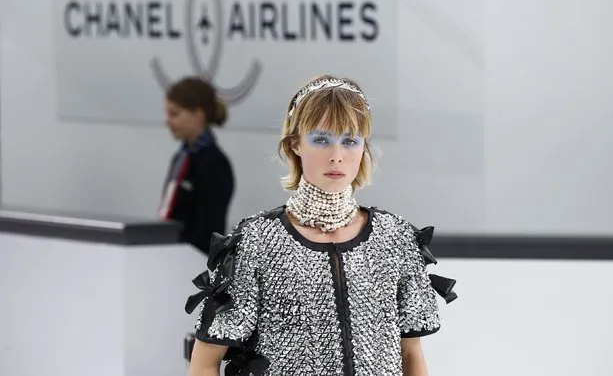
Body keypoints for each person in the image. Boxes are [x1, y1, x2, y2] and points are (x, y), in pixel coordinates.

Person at [184, 74, 457, 376]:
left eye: (350, 141)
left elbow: (412, 356)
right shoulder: (255, 241)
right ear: (295, 144)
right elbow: (205, 361)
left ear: (363, 148)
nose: (336, 156)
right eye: (321, 139)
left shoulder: (395, 239)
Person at [158, 76, 235, 255]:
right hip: (169, 253)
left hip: (194, 261)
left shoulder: (215, 164)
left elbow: (208, 229)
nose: (168, 121)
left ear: (198, 114)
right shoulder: (181, 158)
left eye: (174, 114)